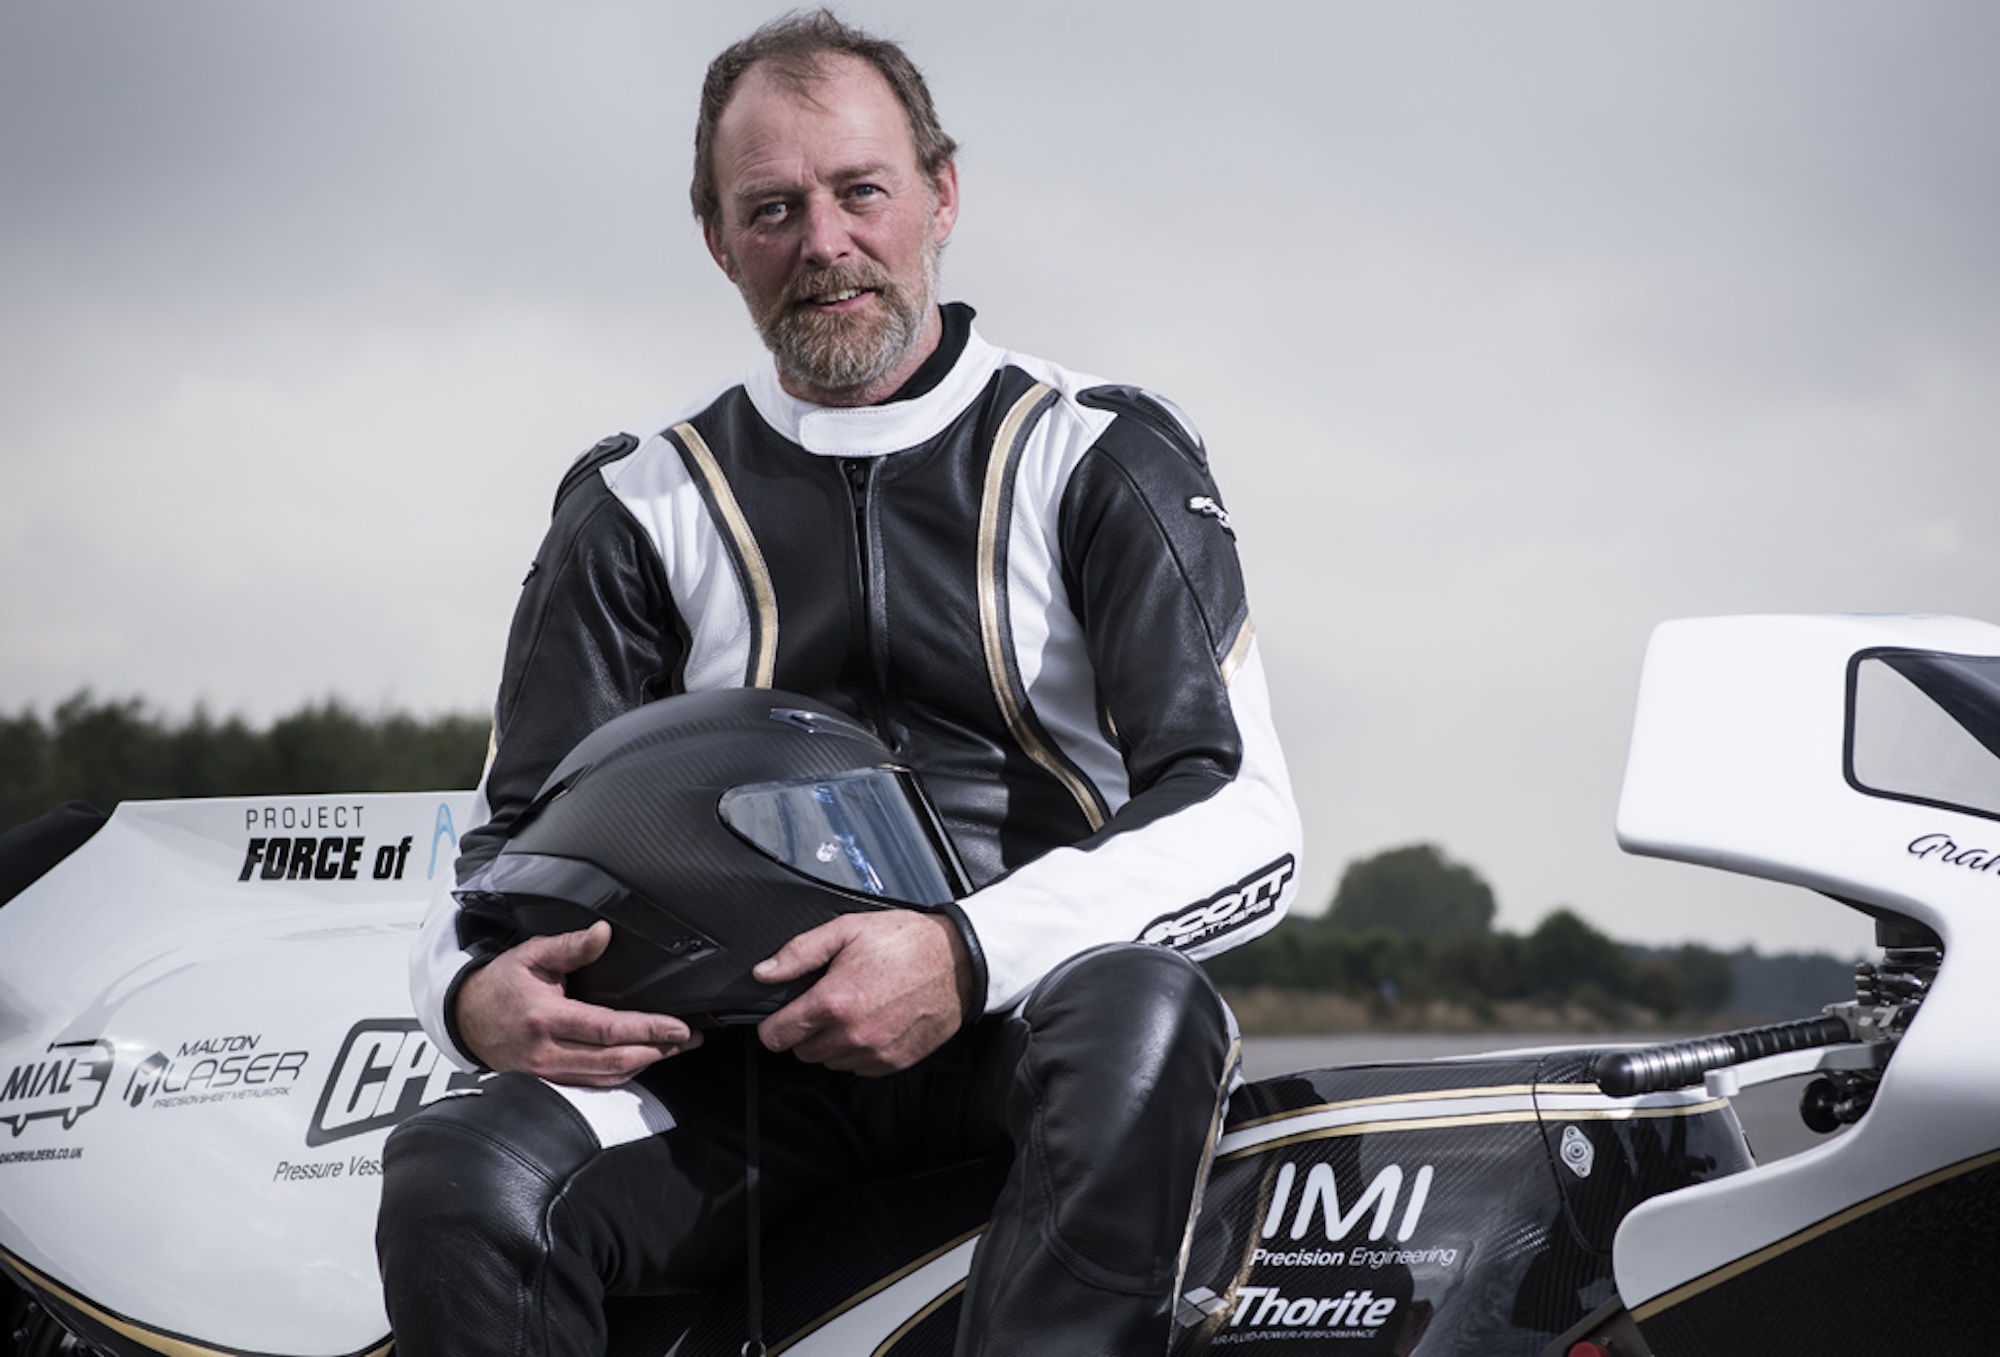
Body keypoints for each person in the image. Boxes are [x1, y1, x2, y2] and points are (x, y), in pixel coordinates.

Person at [377, 11, 1301, 1355]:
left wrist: (961, 952)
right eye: (772, 209)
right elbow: (501, 851)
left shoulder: (1099, 453)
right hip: (735, 1074)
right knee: (459, 1173)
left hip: (1022, 1022)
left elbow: (1245, 811)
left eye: (861, 190)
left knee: (1146, 1012)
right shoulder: (636, 501)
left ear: (941, 194)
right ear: (716, 242)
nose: (824, 243)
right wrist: (468, 996)